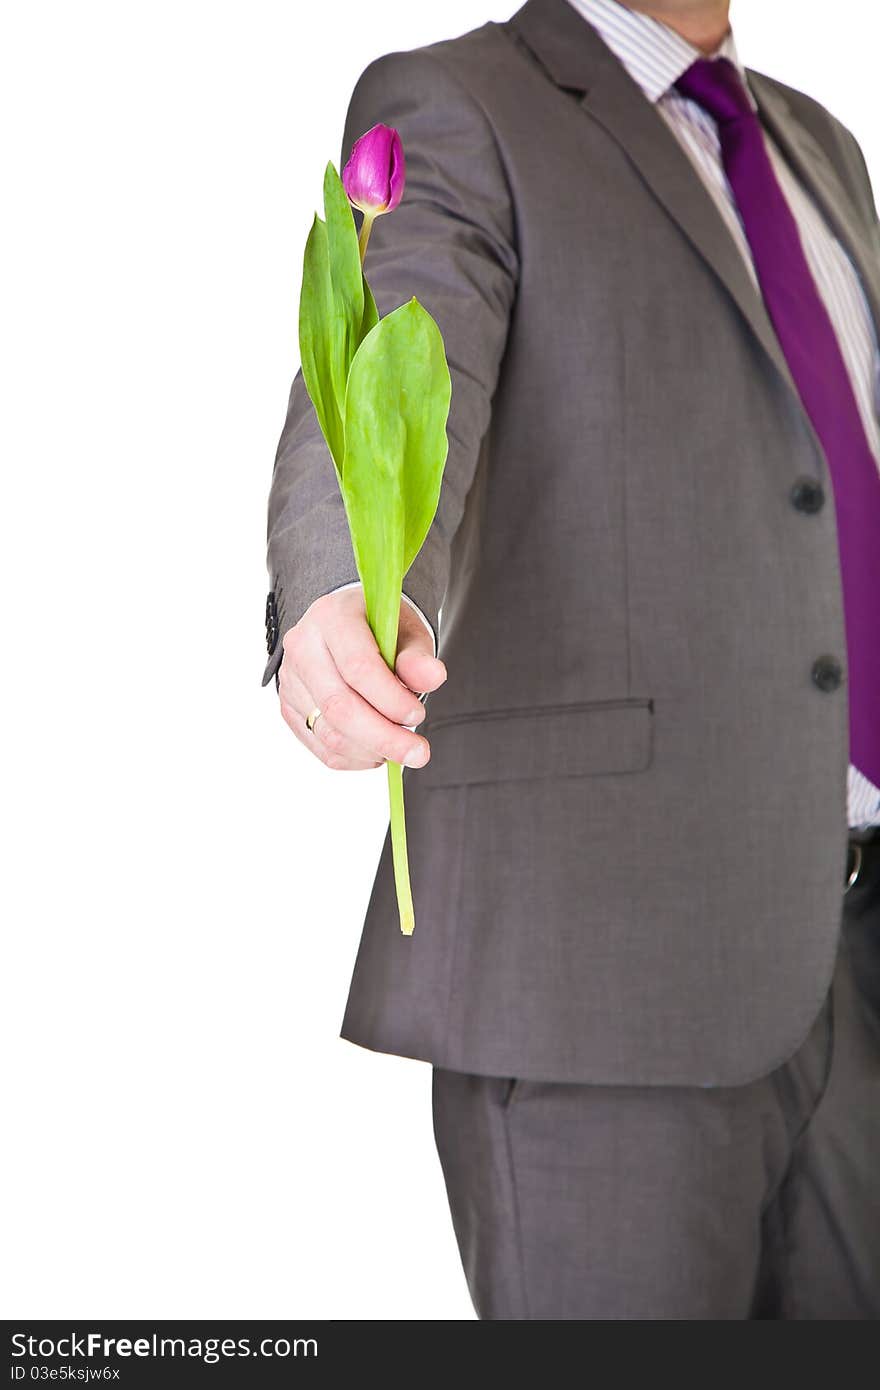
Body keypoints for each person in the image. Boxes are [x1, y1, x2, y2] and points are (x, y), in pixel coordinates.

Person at [262, 0, 880, 1318]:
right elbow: (390, 371)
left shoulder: (822, 151)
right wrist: (345, 595)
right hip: (611, 975)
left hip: (857, 947)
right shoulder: (459, 102)